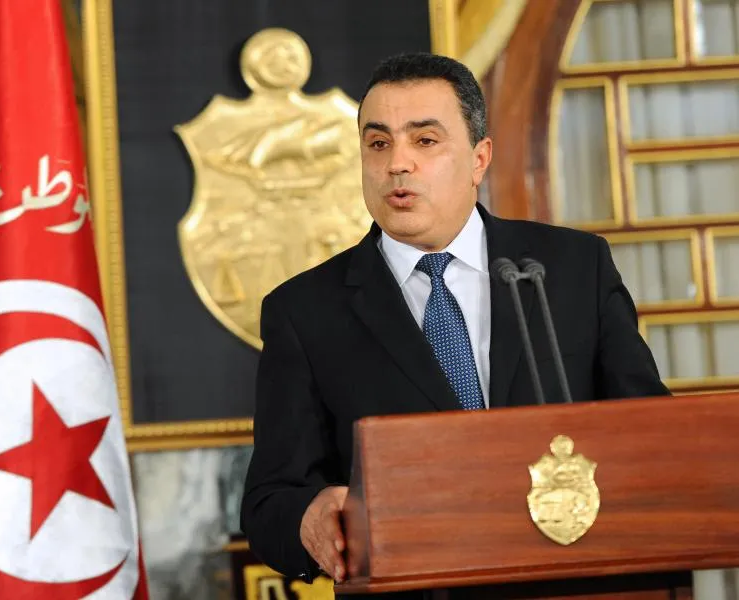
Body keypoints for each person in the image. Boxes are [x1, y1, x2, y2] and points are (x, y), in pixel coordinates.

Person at [240, 52, 669, 598]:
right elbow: (269, 503)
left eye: (424, 141)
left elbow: (652, 437)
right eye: (378, 144)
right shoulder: (304, 310)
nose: (398, 163)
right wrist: (309, 518)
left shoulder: (570, 269)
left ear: (479, 159)